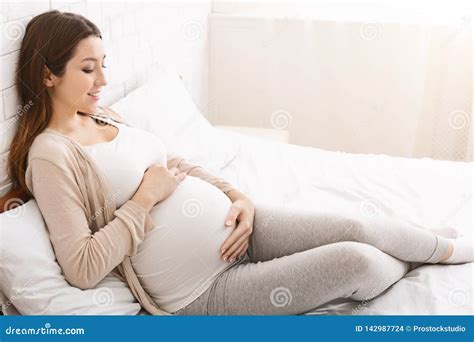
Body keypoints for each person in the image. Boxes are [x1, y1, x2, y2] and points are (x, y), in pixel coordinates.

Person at [8, 10, 472, 316]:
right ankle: (421, 259)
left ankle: (444, 250)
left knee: (363, 226)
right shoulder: (50, 154)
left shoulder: (103, 113)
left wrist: (236, 196)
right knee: (355, 261)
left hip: (239, 228)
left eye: (104, 64)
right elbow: (83, 267)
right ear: (48, 74)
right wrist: (146, 199)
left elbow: (174, 163)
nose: (104, 80)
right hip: (200, 290)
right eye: (89, 69)